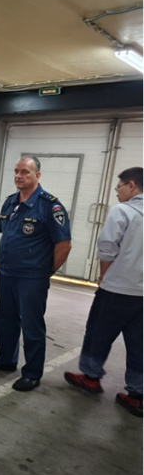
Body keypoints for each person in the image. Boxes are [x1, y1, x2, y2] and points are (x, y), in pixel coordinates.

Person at [0, 156, 72, 392]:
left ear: (37, 175)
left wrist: (47, 271)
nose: (19, 176)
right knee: (5, 318)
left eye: (25, 172)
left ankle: (32, 373)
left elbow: (64, 245)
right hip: (6, 272)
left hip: (32, 277)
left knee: (32, 325)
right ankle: (6, 359)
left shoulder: (50, 206)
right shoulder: (10, 203)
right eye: (16, 171)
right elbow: (6, 234)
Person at [64, 167, 142, 416]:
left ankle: (91, 377)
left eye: (118, 187)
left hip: (118, 289)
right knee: (139, 343)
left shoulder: (123, 211)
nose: (117, 193)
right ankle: (137, 394)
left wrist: (103, 276)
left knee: (98, 333)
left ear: (131, 185)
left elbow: (107, 247)